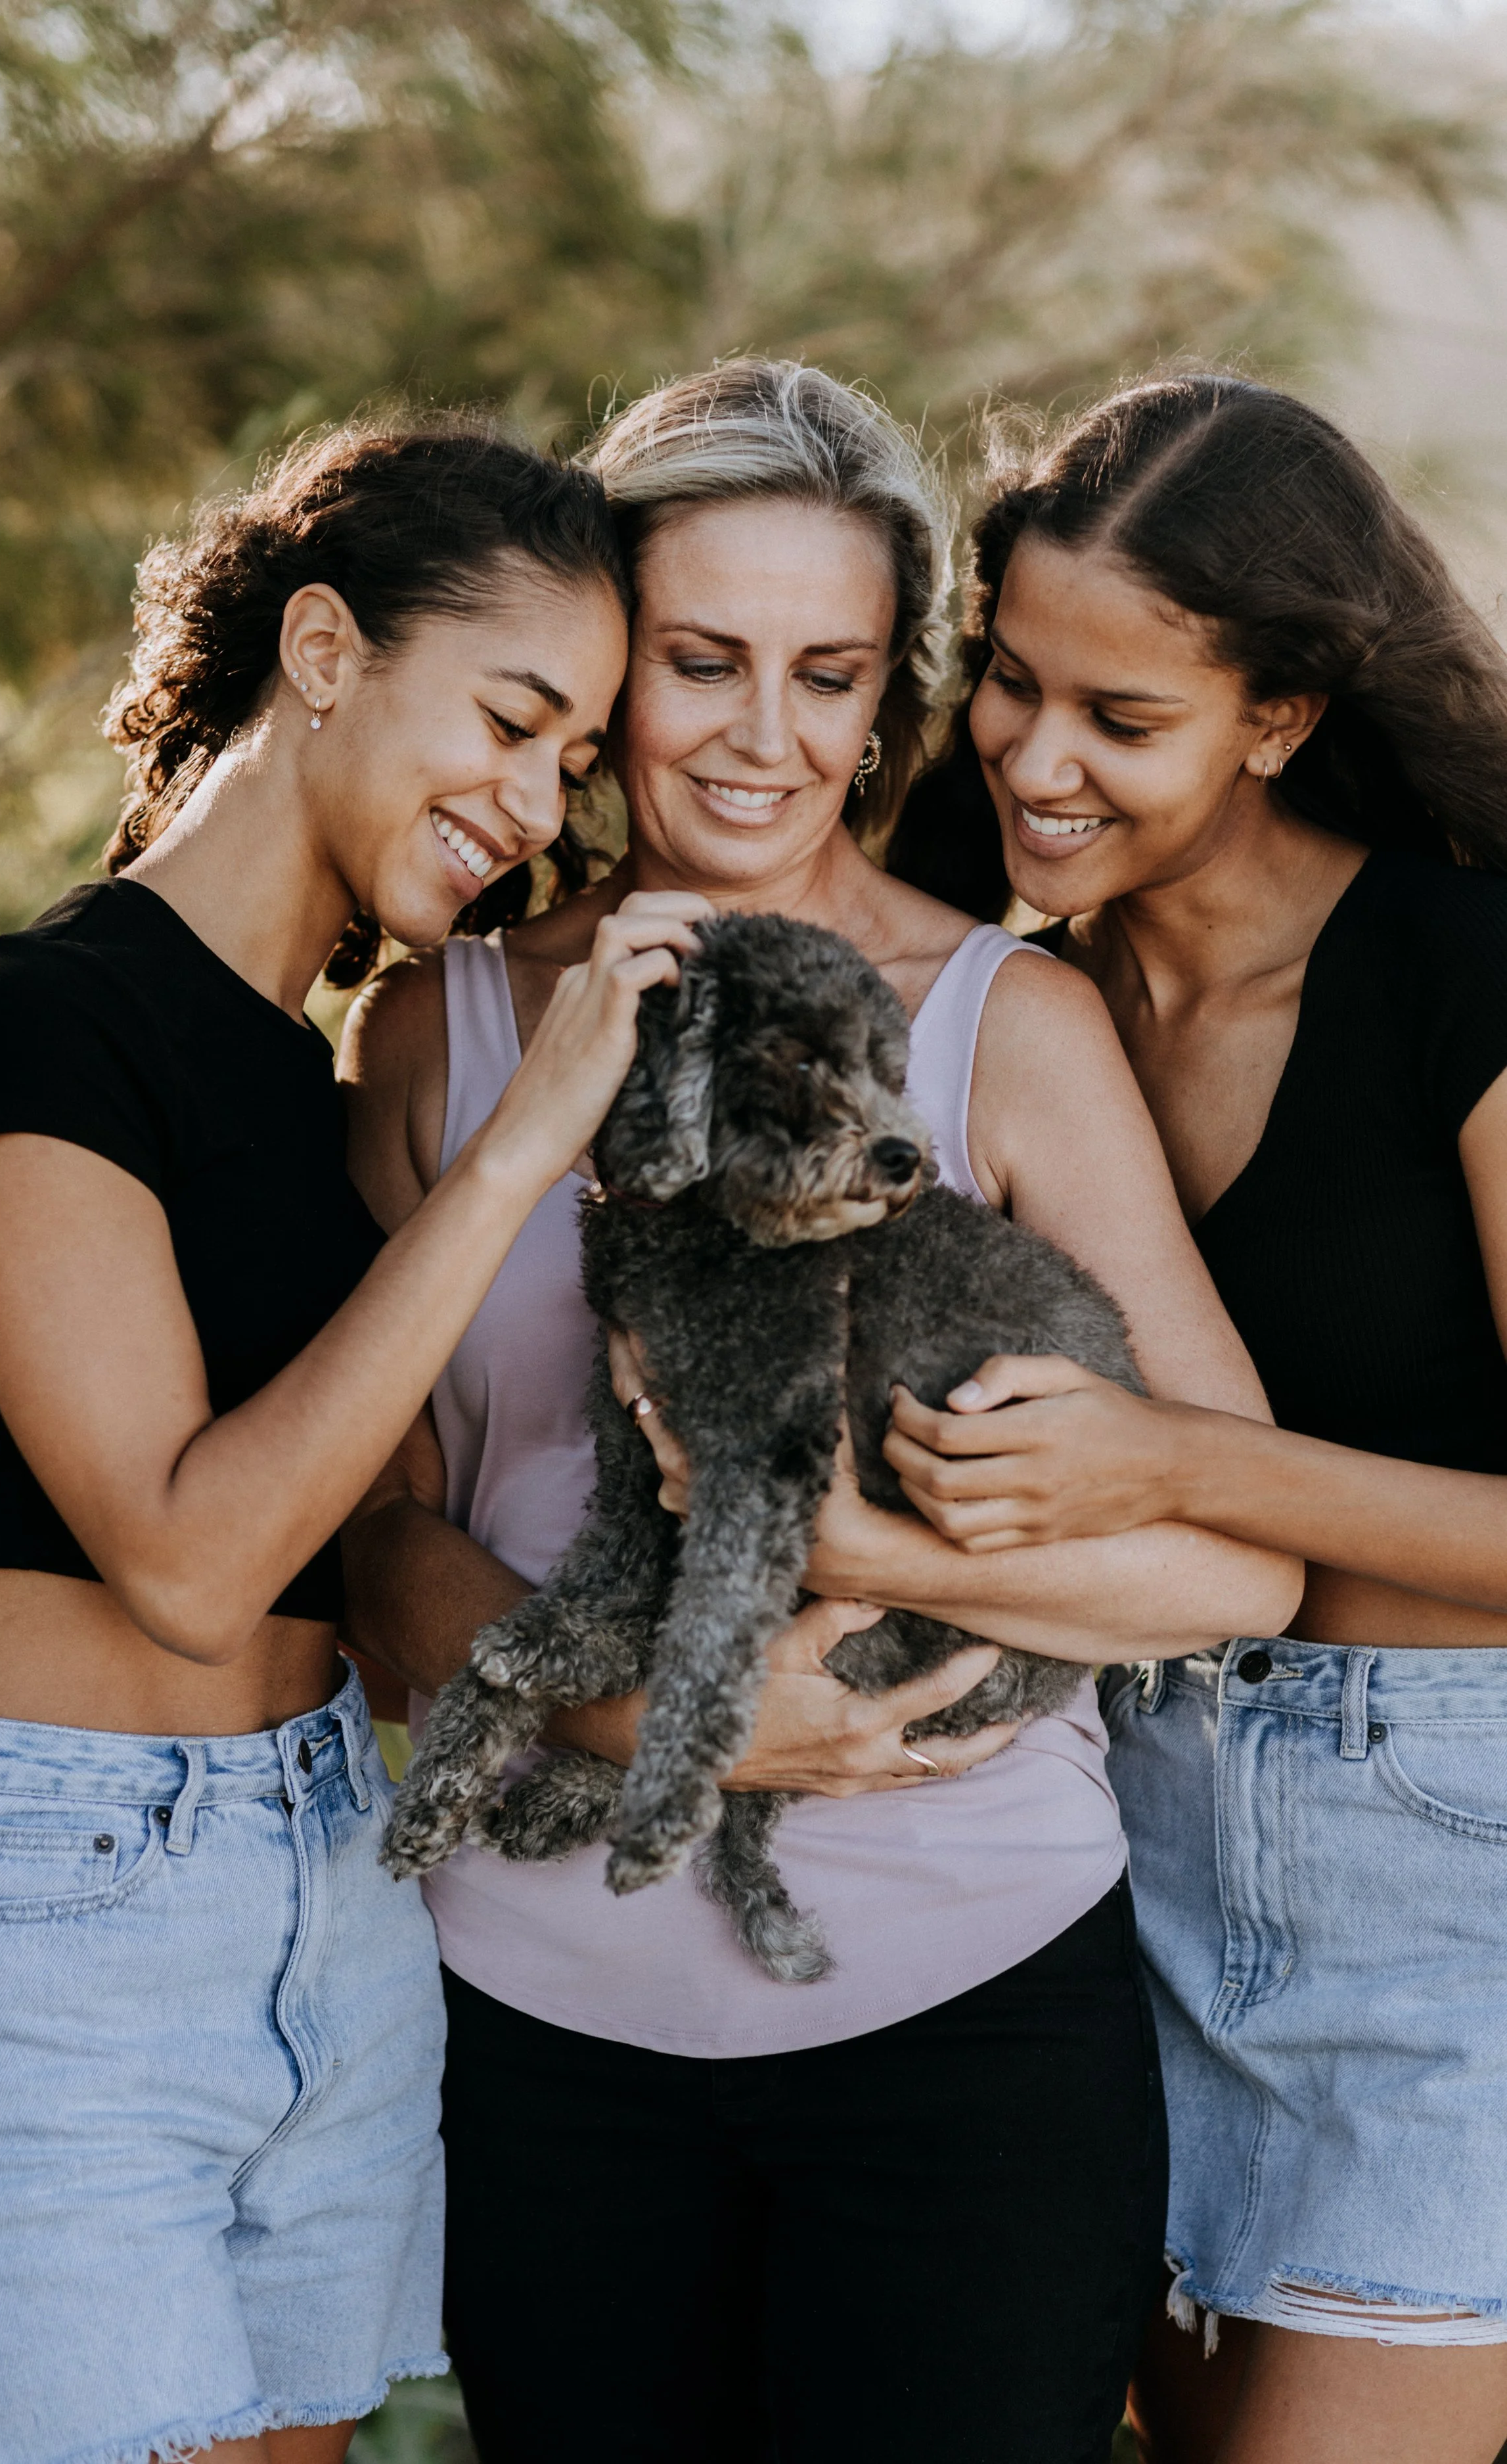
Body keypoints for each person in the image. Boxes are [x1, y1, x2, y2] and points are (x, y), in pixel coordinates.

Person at [342, 360, 1299, 2464]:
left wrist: (870, 1556)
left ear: (889, 703)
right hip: (539, 2025)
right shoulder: (449, 1021)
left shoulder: (1000, 1029)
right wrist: (629, 1713)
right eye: (702, 662)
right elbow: (372, 1536)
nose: (763, 736)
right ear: (609, 674)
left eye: (827, 672)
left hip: (968, 2029)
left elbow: (1233, 1553)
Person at [0, 419, 705, 2464]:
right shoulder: (41, 1023)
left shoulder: (326, 1074)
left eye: (567, 764)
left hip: (331, 1876)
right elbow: (187, 1556)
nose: (525, 807)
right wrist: (519, 1152)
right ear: (322, 648)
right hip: (66, 1925)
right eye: (509, 721)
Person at [883, 372, 1507, 2464]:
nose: (1034, 761)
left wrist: (1177, 1466)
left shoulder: (1460, 968)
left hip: (1434, 1894)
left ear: (1280, 715)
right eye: (1005, 682)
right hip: (1081, 1847)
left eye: (1118, 720)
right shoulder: (983, 974)